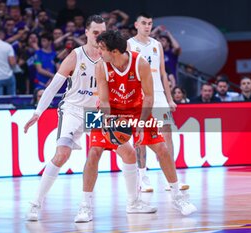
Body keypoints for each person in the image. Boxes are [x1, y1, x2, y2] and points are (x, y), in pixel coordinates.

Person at [75, 30, 197, 223]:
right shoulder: (101, 66)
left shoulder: (140, 62)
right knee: (94, 152)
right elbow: (104, 100)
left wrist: (141, 122)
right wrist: (108, 122)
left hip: (137, 109)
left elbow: (149, 96)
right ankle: (85, 206)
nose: (98, 52)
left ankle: (177, 197)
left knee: (162, 148)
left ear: (114, 51)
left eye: (102, 48)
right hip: (107, 110)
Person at [23, 15, 106, 222]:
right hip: (73, 110)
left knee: (120, 150)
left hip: (96, 112)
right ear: (86, 33)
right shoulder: (75, 56)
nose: (99, 36)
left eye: (102, 32)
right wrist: (38, 112)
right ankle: (36, 203)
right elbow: (52, 87)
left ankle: (125, 201)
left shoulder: (109, 57)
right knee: (62, 155)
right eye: (95, 32)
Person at [127, 13, 177, 192]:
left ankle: (170, 176)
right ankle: (143, 175)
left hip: (159, 94)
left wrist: (169, 98)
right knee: (141, 135)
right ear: (136, 25)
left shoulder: (157, 45)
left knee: (167, 133)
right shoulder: (130, 44)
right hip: (140, 95)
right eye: (143, 23)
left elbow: (163, 73)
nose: (147, 26)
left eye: (149, 23)